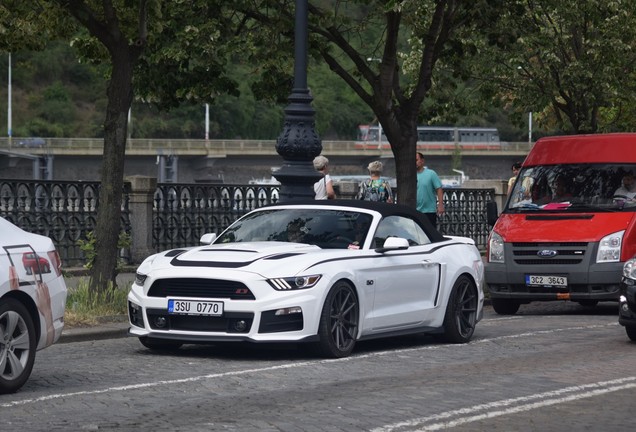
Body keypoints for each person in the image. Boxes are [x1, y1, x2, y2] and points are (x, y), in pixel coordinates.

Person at [415, 152, 444, 227]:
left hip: (429, 211)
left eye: (416, 160)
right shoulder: (411, 175)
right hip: (415, 211)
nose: (415, 162)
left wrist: (440, 205)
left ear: (422, 161)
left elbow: (439, 189)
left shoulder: (431, 174)